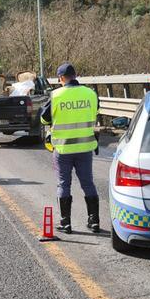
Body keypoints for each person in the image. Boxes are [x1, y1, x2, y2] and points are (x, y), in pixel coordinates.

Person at [40, 63, 100, 233]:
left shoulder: (56, 95)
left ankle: (65, 223)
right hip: (85, 147)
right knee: (88, 183)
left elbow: (44, 119)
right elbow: (96, 112)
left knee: (63, 184)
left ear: (61, 78)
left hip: (63, 148)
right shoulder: (90, 93)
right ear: (75, 75)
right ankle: (94, 221)